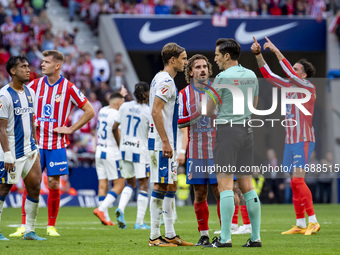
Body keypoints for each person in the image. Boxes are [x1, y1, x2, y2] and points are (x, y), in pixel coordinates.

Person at [10, 50, 95, 238]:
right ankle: (25, 225)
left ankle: (50, 226)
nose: (42, 65)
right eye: (42, 61)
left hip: (57, 143)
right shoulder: (34, 85)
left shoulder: (69, 87)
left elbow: (89, 111)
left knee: (54, 183)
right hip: (35, 144)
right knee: (29, 183)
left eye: (46, 62)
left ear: (57, 66)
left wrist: (71, 129)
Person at [251, 37, 320, 235]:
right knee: (293, 182)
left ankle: (313, 221)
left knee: (298, 181)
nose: (292, 72)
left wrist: (275, 50)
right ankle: (299, 223)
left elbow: (287, 70)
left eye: (296, 69)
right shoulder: (289, 88)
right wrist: (258, 55)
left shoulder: (308, 87)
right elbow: (268, 74)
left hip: (303, 139)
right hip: (290, 141)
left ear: (304, 75)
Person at [205, 38, 262, 248]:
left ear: (227, 56)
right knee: (247, 185)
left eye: (217, 55)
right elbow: (254, 106)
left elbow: (208, 110)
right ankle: (255, 238)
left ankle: (225, 238)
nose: (215, 59)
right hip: (248, 131)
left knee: (225, 185)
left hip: (227, 132)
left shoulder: (221, 77)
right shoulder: (251, 75)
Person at [148, 42, 193, 247]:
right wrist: (166, 142)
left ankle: (171, 234)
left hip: (166, 142)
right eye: (183, 59)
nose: (186, 62)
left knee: (171, 184)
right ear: (173, 60)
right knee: (160, 184)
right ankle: (154, 237)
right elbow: (156, 111)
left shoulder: (160, 77)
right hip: (161, 143)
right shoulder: (166, 81)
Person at [0, 56, 45, 241]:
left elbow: (31, 121)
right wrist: (8, 154)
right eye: (23, 67)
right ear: (12, 71)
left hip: (30, 150)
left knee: (34, 188)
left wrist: (36, 145)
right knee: (3, 190)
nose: (28, 69)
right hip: (12, 151)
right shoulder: (4, 95)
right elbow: (1, 128)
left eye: (28, 66)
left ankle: (30, 231)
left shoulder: (30, 92)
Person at [178, 54, 220, 246]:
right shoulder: (184, 94)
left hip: (217, 150)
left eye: (205, 67)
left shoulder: (218, 91)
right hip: (195, 152)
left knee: (221, 192)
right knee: (200, 193)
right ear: (190, 72)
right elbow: (180, 122)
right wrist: (199, 113)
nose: (202, 70)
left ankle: (224, 232)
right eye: (198, 67)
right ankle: (204, 234)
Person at [110, 81, 151, 230]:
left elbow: (114, 128)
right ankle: (139, 222)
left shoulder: (125, 106)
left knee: (130, 183)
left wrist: (121, 143)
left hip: (125, 149)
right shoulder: (148, 111)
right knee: (143, 184)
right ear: (147, 94)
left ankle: (120, 208)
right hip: (140, 150)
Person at [93, 92, 125, 226]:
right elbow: (118, 132)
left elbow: (114, 99)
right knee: (120, 184)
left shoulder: (102, 110)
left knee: (102, 184)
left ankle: (105, 217)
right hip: (111, 151)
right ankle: (100, 209)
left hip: (99, 150)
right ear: (118, 104)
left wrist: (120, 94)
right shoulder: (117, 115)